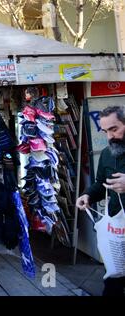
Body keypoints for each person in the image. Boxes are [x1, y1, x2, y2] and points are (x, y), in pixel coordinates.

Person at [76, 105, 125, 296]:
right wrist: (87, 194)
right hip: (117, 232)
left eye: (114, 129)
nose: (110, 136)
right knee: (112, 286)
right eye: (105, 131)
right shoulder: (107, 153)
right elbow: (100, 184)